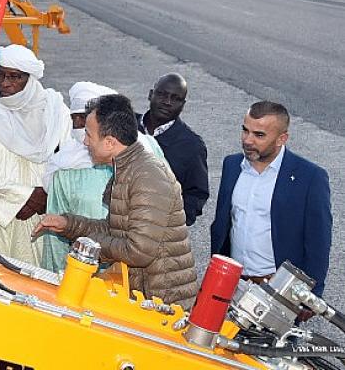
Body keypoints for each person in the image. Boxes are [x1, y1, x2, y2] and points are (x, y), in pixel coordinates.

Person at [33, 94, 196, 308]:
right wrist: (68, 225)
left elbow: (138, 251)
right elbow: (115, 229)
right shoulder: (127, 167)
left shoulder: (146, 176)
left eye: (89, 136)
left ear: (109, 142)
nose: (84, 142)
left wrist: (89, 246)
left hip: (162, 302)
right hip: (146, 293)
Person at [210, 101, 331, 300]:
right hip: (232, 286)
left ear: (281, 139)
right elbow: (223, 225)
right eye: (245, 130)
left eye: (259, 135)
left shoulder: (310, 177)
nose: (248, 140)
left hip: (278, 292)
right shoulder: (231, 165)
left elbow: (318, 241)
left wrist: (312, 295)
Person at [0, 44, 71, 266]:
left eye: (15, 77)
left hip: (44, 213)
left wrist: (48, 194)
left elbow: (71, 158)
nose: (5, 83)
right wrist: (23, 197)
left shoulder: (55, 111)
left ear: (30, 79)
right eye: (1, 75)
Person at [38, 82, 117, 272]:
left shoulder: (139, 154)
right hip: (81, 268)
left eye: (86, 119)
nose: (80, 126)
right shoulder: (64, 166)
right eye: (76, 119)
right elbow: (56, 240)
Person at [138, 73, 208, 225]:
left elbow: (196, 196)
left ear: (183, 104)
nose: (167, 102)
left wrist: (170, 223)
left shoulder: (192, 146)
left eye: (175, 99)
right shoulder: (126, 126)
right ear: (151, 94)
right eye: (162, 94)